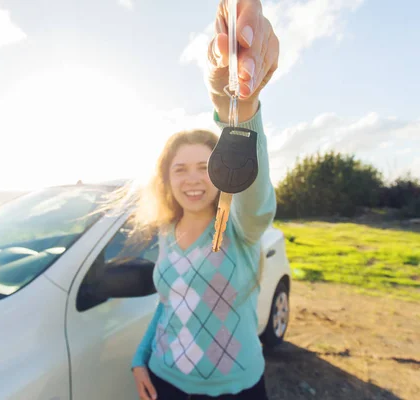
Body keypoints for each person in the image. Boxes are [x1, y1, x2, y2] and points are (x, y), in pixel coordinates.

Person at [129, 0, 279, 398]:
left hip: (238, 389)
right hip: (165, 382)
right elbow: (169, 304)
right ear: (166, 179)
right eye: (180, 169)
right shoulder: (166, 230)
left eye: (205, 166)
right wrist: (140, 359)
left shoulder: (239, 227)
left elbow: (257, 198)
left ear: (221, 172)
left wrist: (238, 108)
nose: (193, 179)